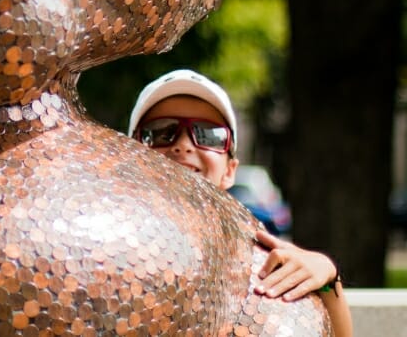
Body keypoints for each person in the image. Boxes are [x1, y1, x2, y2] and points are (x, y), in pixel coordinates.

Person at [128, 69, 353, 337]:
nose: (184, 145)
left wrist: (327, 277)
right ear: (131, 157)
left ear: (230, 170)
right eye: (161, 132)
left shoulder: (259, 265)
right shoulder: (104, 253)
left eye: (208, 135)